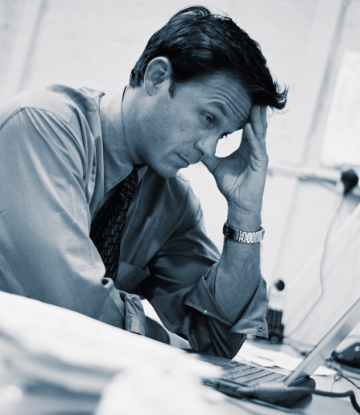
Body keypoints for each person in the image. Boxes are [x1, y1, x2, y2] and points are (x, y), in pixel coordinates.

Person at [0, 6, 287, 358]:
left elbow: (216, 338)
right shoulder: (42, 126)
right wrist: (166, 342)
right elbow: (66, 305)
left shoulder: (174, 202)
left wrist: (246, 211)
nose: (208, 148)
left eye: (223, 135)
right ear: (156, 77)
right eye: (208, 118)